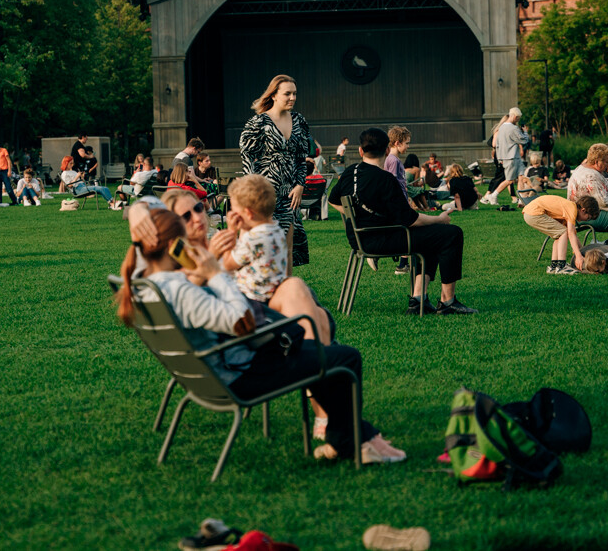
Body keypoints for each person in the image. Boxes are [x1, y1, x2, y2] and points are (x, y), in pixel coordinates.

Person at [116, 206, 406, 464]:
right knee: (345, 358)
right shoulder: (180, 291)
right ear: (172, 246)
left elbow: (145, 233)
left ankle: (352, 438)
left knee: (315, 352)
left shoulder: (147, 282)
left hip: (219, 370)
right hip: (242, 376)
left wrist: (140, 214)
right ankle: (353, 442)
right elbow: (240, 321)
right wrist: (215, 274)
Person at [329, 128, 476, 316]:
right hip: (383, 239)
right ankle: (448, 301)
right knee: (452, 233)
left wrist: (357, 217)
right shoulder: (386, 179)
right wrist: (439, 218)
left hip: (359, 238)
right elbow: (410, 219)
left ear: (360, 151)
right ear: (387, 150)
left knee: (432, 235)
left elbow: (333, 200)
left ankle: (418, 300)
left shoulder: (350, 172)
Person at [218, 174, 331, 343]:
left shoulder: (253, 239)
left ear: (248, 213)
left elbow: (228, 264)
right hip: (274, 289)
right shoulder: (274, 229)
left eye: (234, 210)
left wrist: (232, 232)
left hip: (256, 298)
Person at [240, 74, 311, 267]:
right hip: (266, 193)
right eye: (287, 93)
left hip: (290, 195)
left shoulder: (299, 120)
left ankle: (286, 291)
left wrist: (300, 185)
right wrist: (254, 190)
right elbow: (247, 158)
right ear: (274, 95)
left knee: (288, 249)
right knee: (267, 248)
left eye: (295, 94)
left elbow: (301, 157)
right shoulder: (259, 123)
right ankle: (266, 291)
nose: (292, 98)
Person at [522, 193, 599, 274]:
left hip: (530, 213)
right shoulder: (572, 209)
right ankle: (561, 266)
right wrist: (578, 256)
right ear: (583, 210)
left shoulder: (568, 210)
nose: (586, 221)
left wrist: (581, 253)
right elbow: (570, 233)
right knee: (563, 232)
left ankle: (553, 266)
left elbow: (573, 236)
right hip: (535, 213)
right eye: (588, 218)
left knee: (559, 236)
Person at [481, 108, 527, 206]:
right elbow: (523, 140)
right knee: (509, 180)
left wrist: (500, 158)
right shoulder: (513, 128)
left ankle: (521, 199)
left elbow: (498, 144)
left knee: (521, 177)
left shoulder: (501, 128)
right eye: (518, 118)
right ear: (515, 116)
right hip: (512, 157)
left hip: (509, 157)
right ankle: (493, 195)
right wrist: (525, 132)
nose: (518, 120)